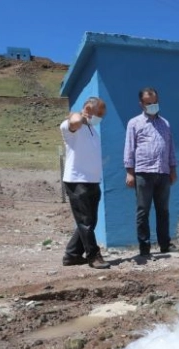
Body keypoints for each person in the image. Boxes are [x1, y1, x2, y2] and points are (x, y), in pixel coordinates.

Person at [124, 87, 178, 257]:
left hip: (162, 173)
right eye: (149, 103)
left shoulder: (165, 123)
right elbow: (129, 149)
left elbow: (170, 148)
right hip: (143, 173)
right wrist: (130, 172)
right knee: (143, 211)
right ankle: (144, 247)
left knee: (163, 211)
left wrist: (172, 169)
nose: (153, 105)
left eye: (155, 102)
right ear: (141, 104)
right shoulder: (134, 123)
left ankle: (165, 244)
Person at [60, 97, 110, 269]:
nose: (100, 118)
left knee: (90, 221)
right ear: (88, 109)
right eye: (99, 114)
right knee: (85, 221)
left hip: (92, 181)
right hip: (76, 181)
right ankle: (93, 256)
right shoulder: (72, 128)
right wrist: (81, 114)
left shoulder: (92, 130)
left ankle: (72, 255)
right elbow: (73, 121)